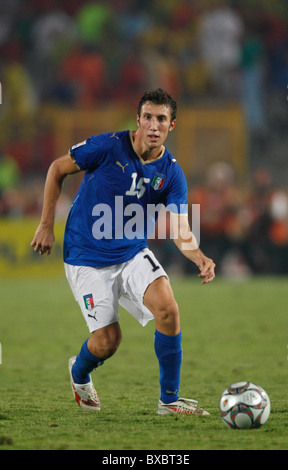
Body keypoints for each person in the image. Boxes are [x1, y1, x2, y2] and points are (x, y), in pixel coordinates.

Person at [31, 88, 215, 415]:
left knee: (168, 309)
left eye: (161, 119)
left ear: (172, 125)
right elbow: (57, 169)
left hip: (131, 252)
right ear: (138, 120)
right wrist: (46, 223)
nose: (153, 125)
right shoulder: (107, 146)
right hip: (86, 255)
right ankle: (79, 372)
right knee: (107, 342)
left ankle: (169, 402)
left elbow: (179, 228)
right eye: (148, 117)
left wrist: (198, 256)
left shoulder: (171, 173)